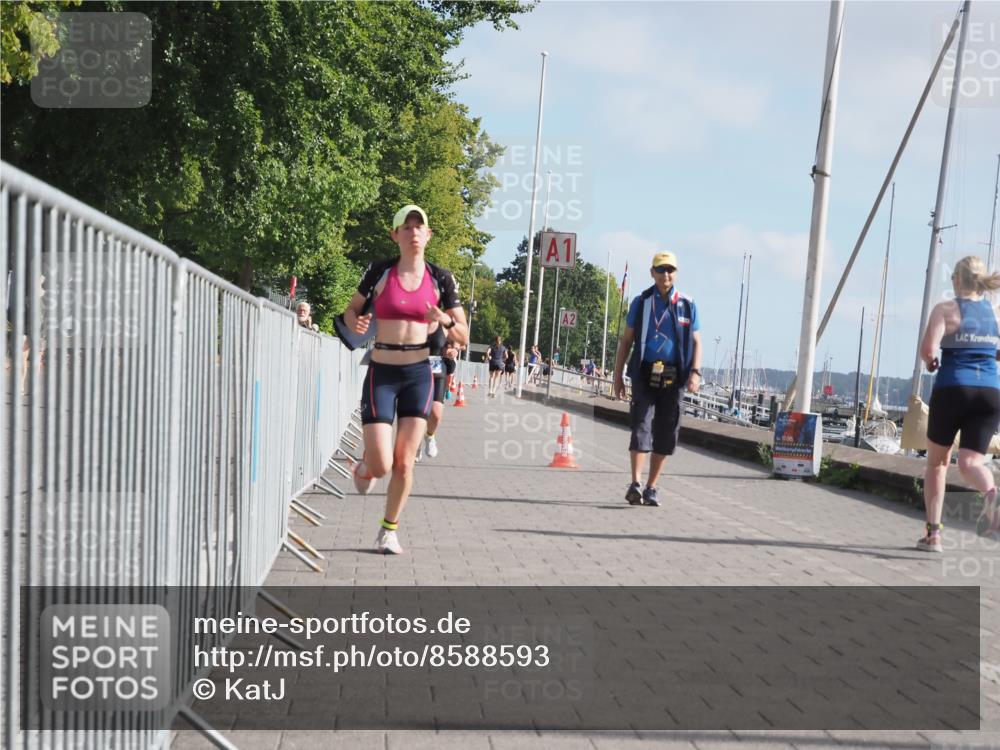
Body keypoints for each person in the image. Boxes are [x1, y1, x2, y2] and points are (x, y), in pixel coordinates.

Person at [343, 204, 468, 554]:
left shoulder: (441, 279)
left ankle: (388, 530)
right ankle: (366, 466)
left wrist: (442, 318)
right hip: (381, 372)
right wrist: (356, 322)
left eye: (419, 227)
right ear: (395, 235)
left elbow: (463, 335)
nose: (413, 232)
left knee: (404, 460)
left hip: (418, 374)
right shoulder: (381, 271)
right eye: (406, 227)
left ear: (428, 235)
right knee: (382, 463)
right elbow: (352, 309)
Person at [917, 255, 1000, 552]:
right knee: (970, 463)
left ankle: (934, 535)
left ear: (956, 280)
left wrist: (932, 361)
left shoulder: (945, 309)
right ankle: (992, 494)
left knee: (938, 464)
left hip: (953, 389)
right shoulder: (994, 314)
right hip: (990, 393)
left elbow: (928, 349)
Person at [612, 251, 702, 507]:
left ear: (676, 273)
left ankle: (652, 486)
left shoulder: (687, 304)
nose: (666, 274)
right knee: (641, 425)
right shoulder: (642, 302)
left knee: (666, 431)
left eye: (670, 270)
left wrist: (695, 372)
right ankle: (635, 483)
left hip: (676, 376)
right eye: (661, 270)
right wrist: (617, 376)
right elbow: (627, 341)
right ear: (652, 272)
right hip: (644, 373)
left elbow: (697, 342)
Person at [418, 325, 458, 461]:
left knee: (435, 413)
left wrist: (454, 350)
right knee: (418, 413)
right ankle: (415, 444)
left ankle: (430, 436)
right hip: (415, 370)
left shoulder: (443, 324)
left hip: (437, 371)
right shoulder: (412, 319)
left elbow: (456, 343)